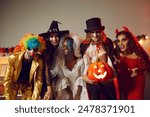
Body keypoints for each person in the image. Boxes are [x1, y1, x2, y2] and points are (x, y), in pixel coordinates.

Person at [80, 17, 120, 100]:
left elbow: (112, 58)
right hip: (92, 77)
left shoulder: (107, 42)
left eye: (97, 32)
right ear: (89, 34)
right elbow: (85, 63)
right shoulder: (84, 45)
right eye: (92, 32)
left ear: (101, 32)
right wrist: (85, 77)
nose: (95, 35)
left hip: (108, 76)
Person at [3, 34, 46, 100]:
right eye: (29, 48)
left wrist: (34, 99)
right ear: (25, 47)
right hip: (13, 83)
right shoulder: (13, 58)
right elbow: (7, 80)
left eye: (35, 49)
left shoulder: (39, 60)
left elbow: (39, 81)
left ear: (38, 50)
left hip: (27, 84)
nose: (32, 52)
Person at [115, 26, 150, 99]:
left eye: (123, 40)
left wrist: (138, 71)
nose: (120, 43)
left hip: (137, 83)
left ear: (129, 40)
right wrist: (117, 65)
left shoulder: (136, 55)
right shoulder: (119, 56)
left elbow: (145, 66)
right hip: (125, 86)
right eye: (118, 41)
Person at [51, 34, 88, 100]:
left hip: (80, 89)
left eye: (69, 46)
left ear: (74, 47)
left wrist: (77, 95)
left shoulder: (81, 62)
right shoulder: (60, 63)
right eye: (64, 46)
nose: (66, 48)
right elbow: (63, 80)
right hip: (67, 90)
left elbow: (82, 79)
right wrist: (70, 95)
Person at [39, 20, 69, 100]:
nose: (54, 39)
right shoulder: (46, 51)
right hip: (46, 80)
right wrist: (49, 89)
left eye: (56, 36)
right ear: (48, 38)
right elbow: (46, 70)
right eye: (51, 36)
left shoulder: (62, 48)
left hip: (58, 79)